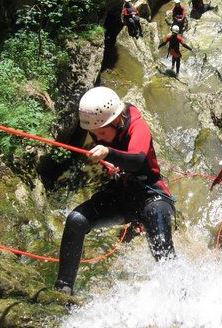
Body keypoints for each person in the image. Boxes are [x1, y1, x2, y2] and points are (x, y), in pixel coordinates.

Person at [54, 86, 176, 295]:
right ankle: (63, 289)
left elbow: (137, 159)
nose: (99, 136)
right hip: (122, 193)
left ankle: (178, 292)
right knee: (76, 220)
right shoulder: (102, 128)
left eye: (102, 132)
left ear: (117, 119)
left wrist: (108, 153)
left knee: (156, 224)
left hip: (151, 194)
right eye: (94, 133)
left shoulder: (138, 126)